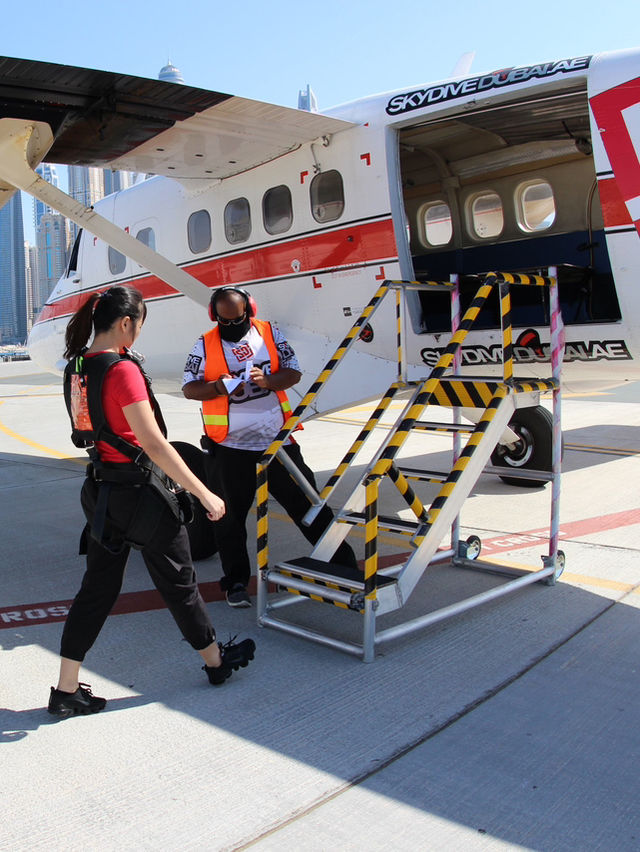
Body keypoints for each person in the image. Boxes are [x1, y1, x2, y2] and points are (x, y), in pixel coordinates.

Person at [48, 285, 255, 718]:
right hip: (142, 496)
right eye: (139, 324)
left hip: (101, 493)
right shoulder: (122, 370)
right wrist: (204, 492)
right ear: (126, 323)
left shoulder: (78, 366)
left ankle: (66, 688)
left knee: (97, 590)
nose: (138, 332)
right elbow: (155, 444)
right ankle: (216, 664)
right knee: (180, 586)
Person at [182, 286, 357, 607]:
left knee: (309, 506)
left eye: (239, 319)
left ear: (250, 310)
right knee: (229, 519)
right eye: (225, 320)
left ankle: (344, 564)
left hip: (277, 443)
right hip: (229, 449)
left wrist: (269, 381)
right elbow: (190, 388)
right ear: (214, 316)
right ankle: (235, 583)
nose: (234, 326)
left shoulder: (269, 334)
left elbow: (293, 371)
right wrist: (217, 387)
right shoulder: (204, 344)